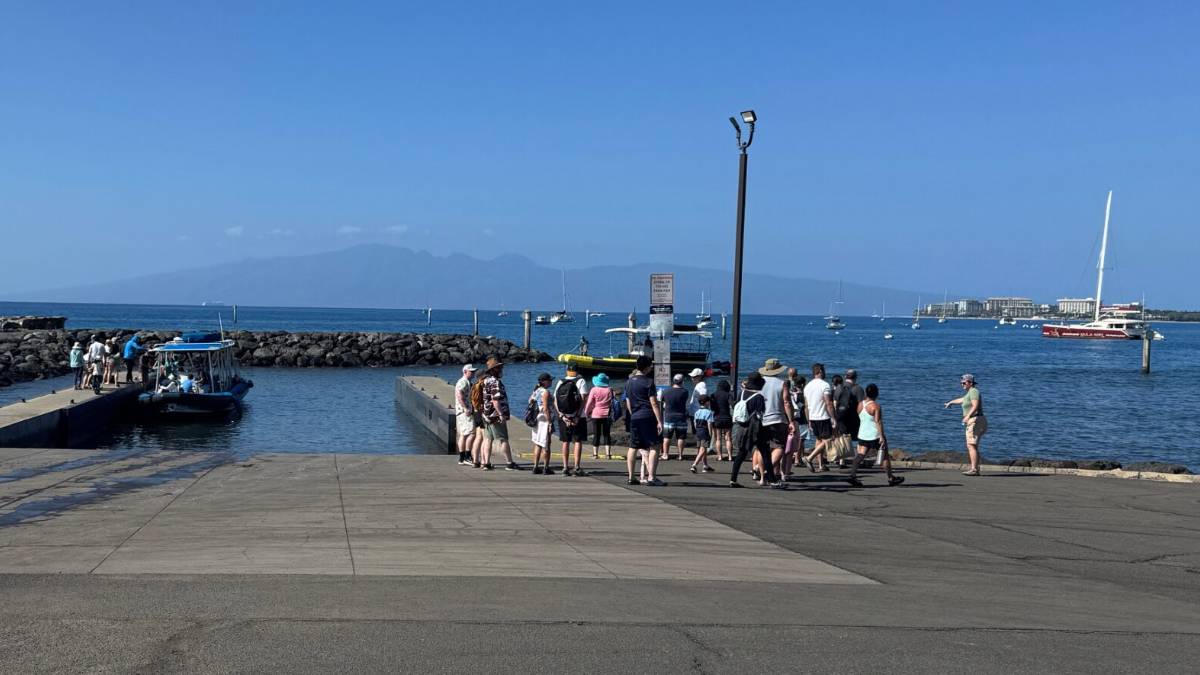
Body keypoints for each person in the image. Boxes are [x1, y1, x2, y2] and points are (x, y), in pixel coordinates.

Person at [730, 373, 783, 488]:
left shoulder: (742, 393)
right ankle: (772, 480)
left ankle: (733, 479)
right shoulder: (758, 397)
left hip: (742, 427)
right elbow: (761, 414)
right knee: (765, 454)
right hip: (756, 429)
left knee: (741, 453)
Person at [846, 384, 905, 487]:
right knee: (885, 456)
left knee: (860, 455)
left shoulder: (860, 405)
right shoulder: (875, 406)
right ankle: (891, 478)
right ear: (876, 393)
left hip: (863, 434)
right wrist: (882, 436)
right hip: (875, 435)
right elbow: (878, 421)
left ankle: (852, 475)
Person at [624, 355, 664, 486]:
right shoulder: (648, 382)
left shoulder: (629, 382)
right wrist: (659, 420)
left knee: (633, 446)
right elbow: (654, 403)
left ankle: (631, 476)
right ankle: (651, 476)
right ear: (647, 367)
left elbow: (628, 401)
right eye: (650, 366)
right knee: (655, 445)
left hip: (635, 416)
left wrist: (633, 414)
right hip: (647, 415)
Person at [754, 358, 791, 487]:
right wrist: (791, 420)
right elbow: (786, 402)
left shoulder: (759, 383)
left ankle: (763, 478)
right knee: (779, 447)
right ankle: (765, 470)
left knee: (762, 449)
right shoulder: (782, 383)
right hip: (778, 419)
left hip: (762, 419)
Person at [480, 357, 521, 471]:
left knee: (488, 439)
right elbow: (495, 400)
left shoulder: (486, 381)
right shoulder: (495, 382)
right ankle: (509, 462)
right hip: (495, 416)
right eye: (500, 368)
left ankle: (486, 463)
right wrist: (501, 414)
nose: (502, 369)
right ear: (495, 370)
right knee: (503, 439)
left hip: (486, 414)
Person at [945, 373, 986, 476]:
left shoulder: (974, 391)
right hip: (975, 420)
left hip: (975, 420)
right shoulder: (969, 393)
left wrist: (967, 416)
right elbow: (962, 400)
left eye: (964, 383)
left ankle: (974, 469)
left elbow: (975, 405)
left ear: (970, 383)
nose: (962, 384)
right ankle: (975, 468)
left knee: (971, 445)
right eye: (961, 383)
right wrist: (950, 402)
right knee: (972, 445)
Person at [555, 365, 589, 476]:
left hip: (564, 416)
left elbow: (555, 400)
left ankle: (565, 467)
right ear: (577, 370)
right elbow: (584, 399)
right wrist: (578, 416)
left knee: (566, 441)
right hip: (578, 416)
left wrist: (562, 416)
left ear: (567, 370)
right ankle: (577, 467)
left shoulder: (561, 381)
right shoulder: (581, 381)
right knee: (577, 441)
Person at [803, 363, 837, 471]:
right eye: (824, 370)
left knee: (818, 440)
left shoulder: (807, 386)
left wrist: (808, 420)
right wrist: (833, 418)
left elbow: (806, 406)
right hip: (823, 416)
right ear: (820, 371)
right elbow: (828, 403)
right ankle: (809, 458)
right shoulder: (825, 385)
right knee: (828, 439)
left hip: (812, 416)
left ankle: (821, 464)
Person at [530, 373, 556, 475]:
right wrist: (550, 422)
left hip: (537, 419)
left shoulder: (536, 391)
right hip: (544, 420)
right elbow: (545, 408)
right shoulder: (545, 392)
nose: (551, 382)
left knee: (537, 444)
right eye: (549, 380)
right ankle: (546, 467)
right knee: (546, 445)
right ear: (545, 382)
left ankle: (535, 467)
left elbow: (530, 401)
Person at [783, 369, 807, 478]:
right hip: (798, 417)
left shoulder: (785, 384)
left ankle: (794, 458)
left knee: (790, 440)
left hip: (788, 417)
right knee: (799, 439)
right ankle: (796, 458)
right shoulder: (799, 392)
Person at [659, 373, 690, 461]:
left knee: (667, 437)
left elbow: (662, 400)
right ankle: (680, 455)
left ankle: (665, 454)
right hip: (681, 417)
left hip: (669, 416)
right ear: (682, 382)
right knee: (680, 437)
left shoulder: (666, 391)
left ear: (673, 381)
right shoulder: (685, 392)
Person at [454, 364, 480, 466]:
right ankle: (467, 456)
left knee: (464, 434)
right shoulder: (463, 382)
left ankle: (462, 457)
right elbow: (459, 395)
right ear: (465, 372)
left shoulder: (467, 382)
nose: (473, 373)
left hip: (463, 411)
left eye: (473, 371)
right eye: (471, 371)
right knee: (471, 433)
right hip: (465, 411)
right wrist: (465, 408)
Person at [584, 373, 614, 460]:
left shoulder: (594, 389)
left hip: (596, 414)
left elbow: (589, 403)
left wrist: (586, 413)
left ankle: (595, 454)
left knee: (596, 434)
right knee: (606, 434)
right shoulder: (610, 390)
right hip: (607, 414)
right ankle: (608, 454)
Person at [690, 394, 715, 474]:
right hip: (705, 431)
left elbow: (694, 423)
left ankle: (705, 466)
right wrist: (710, 433)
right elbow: (709, 424)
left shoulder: (697, 412)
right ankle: (694, 465)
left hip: (698, 431)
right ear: (707, 403)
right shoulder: (709, 412)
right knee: (703, 449)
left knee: (700, 448)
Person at [710, 379, 734, 461]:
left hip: (717, 418)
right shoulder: (728, 395)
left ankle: (720, 456)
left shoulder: (713, 395)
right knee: (728, 438)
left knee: (718, 438)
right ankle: (730, 456)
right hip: (727, 417)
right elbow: (733, 405)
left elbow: (712, 407)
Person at [687, 367, 707, 432]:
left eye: (694, 377)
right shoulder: (699, 385)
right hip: (694, 413)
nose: (692, 378)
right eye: (692, 377)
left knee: (697, 432)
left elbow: (704, 398)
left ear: (699, 377)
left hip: (697, 413)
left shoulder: (701, 385)